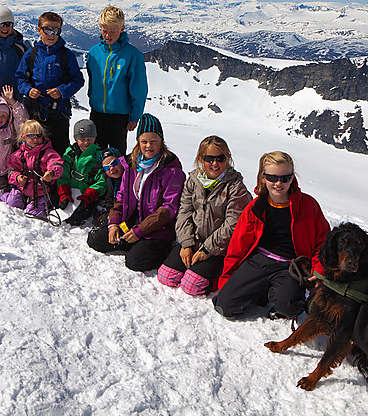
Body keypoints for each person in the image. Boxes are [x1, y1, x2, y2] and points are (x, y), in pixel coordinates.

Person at [213, 151, 330, 320]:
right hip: (259, 261)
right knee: (225, 306)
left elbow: (324, 242)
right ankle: (265, 290)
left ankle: (274, 294)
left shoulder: (308, 205)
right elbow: (238, 246)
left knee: (290, 308)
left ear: (292, 178)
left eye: (285, 178)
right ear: (263, 178)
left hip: (291, 266)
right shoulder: (255, 207)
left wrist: (318, 270)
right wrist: (228, 282)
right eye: (272, 177)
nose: (278, 183)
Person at [87, 114, 185, 272]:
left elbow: (168, 209)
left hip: (158, 228)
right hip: (132, 222)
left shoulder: (171, 171)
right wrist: (113, 224)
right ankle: (135, 242)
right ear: (138, 142)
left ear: (162, 142)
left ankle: (159, 248)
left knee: (135, 261)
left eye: (154, 141)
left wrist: (140, 231)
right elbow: (120, 199)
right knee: (96, 239)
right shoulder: (132, 165)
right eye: (144, 141)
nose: (149, 146)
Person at [157, 136, 252, 296]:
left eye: (220, 158)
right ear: (201, 159)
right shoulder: (193, 181)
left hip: (218, 249)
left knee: (191, 286)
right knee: (166, 276)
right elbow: (184, 212)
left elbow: (232, 224)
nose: (215, 164)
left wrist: (207, 249)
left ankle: (216, 278)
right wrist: (186, 244)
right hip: (193, 242)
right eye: (209, 159)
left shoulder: (236, 187)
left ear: (227, 158)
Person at [15, 12, 84, 155]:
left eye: (56, 31)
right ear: (39, 29)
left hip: (59, 112)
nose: (52, 35)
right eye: (48, 30)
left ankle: (60, 176)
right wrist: (28, 90)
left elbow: (78, 80)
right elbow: (20, 78)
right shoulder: (31, 54)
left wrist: (62, 91)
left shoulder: (66, 55)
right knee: (35, 149)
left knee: (59, 149)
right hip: (35, 113)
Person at [85, 6, 148, 154]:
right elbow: (92, 79)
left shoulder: (132, 54)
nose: (108, 35)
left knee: (116, 159)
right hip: (97, 113)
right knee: (95, 156)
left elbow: (139, 88)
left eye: (113, 30)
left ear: (122, 28)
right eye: (104, 30)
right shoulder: (94, 52)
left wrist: (135, 116)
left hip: (120, 117)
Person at [1, 120, 64, 219]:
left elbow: (56, 164)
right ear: (23, 137)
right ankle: (6, 195)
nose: (35, 139)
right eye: (31, 136)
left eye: (38, 135)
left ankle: (46, 203)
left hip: (41, 191)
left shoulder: (48, 153)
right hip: (22, 189)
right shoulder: (17, 155)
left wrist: (51, 173)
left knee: (34, 214)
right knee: (11, 204)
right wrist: (17, 177)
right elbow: (12, 169)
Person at [56, 119, 106, 226]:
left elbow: (101, 181)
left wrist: (89, 196)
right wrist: (63, 193)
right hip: (69, 194)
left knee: (75, 219)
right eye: (82, 140)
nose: (86, 143)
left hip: (87, 197)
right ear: (76, 139)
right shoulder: (69, 154)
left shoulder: (99, 157)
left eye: (89, 139)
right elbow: (63, 175)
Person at [94, 147, 125, 226]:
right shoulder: (107, 180)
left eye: (114, 163)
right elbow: (109, 199)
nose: (111, 168)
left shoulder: (130, 175)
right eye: (107, 167)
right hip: (115, 213)